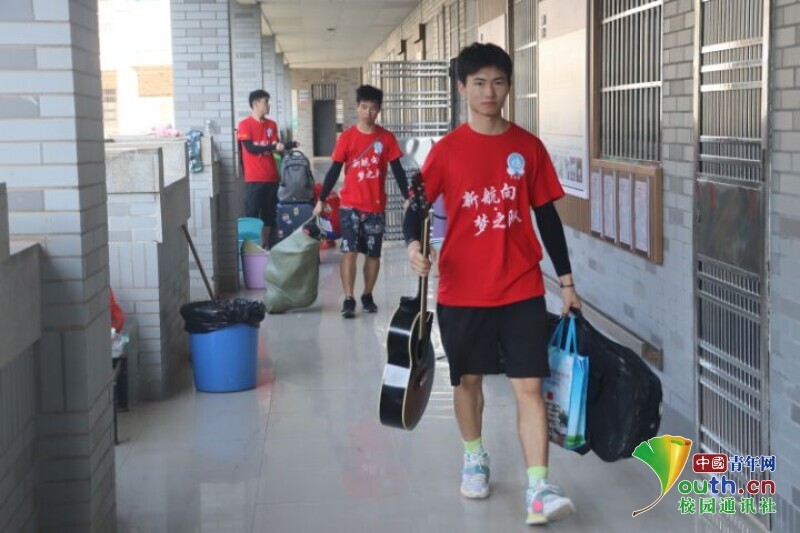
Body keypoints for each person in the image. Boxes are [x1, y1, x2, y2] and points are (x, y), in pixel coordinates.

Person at [403, 42, 583, 526]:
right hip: (461, 289)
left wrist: (566, 281)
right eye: (479, 82)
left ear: (509, 87)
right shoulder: (447, 152)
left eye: (498, 82)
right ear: (462, 88)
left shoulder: (528, 147)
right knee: (468, 381)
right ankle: (474, 457)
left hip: (521, 287)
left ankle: (538, 486)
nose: (489, 91)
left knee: (529, 383)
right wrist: (414, 245)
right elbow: (416, 207)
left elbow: (547, 217)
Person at [314, 84, 410, 318]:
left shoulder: (386, 138)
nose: (368, 112)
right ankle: (349, 298)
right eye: (364, 107)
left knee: (373, 254)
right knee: (349, 251)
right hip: (350, 206)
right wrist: (321, 199)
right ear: (357, 107)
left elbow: (398, 170)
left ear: (379, 110)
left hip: (375, 206)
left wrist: (408, 197)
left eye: (373, 108)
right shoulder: (347, 138)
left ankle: (367, 294)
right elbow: (334, 170)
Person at [237, 89, 296, 247]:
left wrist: (285, 146)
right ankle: (251, 248)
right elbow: (251, 148)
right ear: (256, 104)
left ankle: (266, 245)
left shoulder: (272, 125)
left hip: (271, 177)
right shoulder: (244, 125)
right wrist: (273, 147)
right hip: (253, 179)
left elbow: (276, 147)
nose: (268, 106)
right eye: (266, 102)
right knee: (252, 214)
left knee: (269, 215)